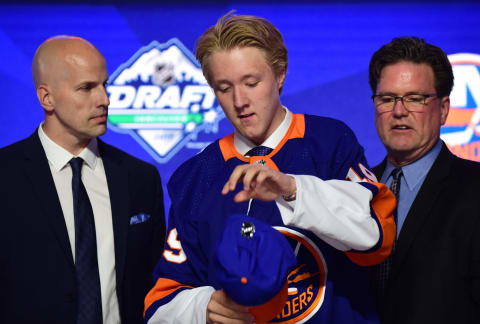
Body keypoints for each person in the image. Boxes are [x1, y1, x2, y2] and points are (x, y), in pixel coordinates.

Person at [144, 13, 396, 324]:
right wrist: (202, 308)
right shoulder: (195, 176)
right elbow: (161, 303)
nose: (240, 100)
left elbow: (376, 237)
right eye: (224, 88)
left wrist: (293, 189)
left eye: (251, 83)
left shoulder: (329, 141)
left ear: (280, 76)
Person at [0, 36, 166, 324]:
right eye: (87, 88)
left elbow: (157, 285)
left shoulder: (141, 178)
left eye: (104, 85)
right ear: (46, 97)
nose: (104, 99)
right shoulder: (5, 175)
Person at [369, 36, 480, 323]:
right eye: (387, 98)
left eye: (415, 98)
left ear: (443, 109)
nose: (399, 110)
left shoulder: (475, 190)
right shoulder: (356, 188)